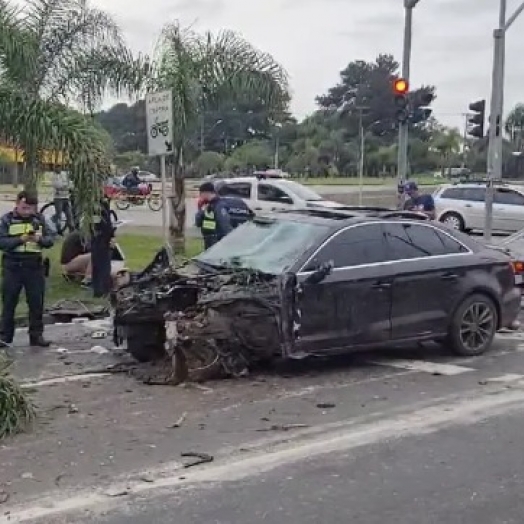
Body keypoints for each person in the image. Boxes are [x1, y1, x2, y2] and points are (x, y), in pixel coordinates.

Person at [0, 191, 55, 347]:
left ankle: (36, 336)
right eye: (24, 207)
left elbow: (51, 239)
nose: (28, 211)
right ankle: (5, 337)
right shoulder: (6, 220)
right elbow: (2, 242)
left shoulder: (40, 219)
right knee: (9, 303)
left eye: (31, 208)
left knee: (36, 303)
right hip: (13, 266)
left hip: (34, 266)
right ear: (17, 204)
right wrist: (20, 239)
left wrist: (39, 239)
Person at [195, 182, 233, 249]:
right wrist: (201, 211)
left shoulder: (219, 206)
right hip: (208, 240)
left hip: (217, 240)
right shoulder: (205, 205)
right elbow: (198, 223)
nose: (200, 196)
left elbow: (225, 225)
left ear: (207, 193)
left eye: (201, 193)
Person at [51, 167, 74, 233]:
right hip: (58, 198)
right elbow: (58, 185)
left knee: (69, 215)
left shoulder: (64, 174)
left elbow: (71, 184)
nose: (58, 168)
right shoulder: (54, 176)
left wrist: (65, 186)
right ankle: (53, 225)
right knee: (59, 215)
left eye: (59, 167)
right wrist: (66, 185)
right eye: (57, 167)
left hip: (66, 197)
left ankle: (72, 231)